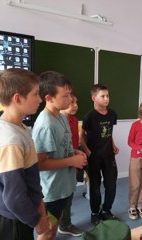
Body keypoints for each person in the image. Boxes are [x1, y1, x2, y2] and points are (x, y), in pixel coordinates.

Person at [0, 68, 50, 240]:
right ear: (17, 98)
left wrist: (39, 203)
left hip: (19, 215)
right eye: (35, 94)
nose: (39, 99)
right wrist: (37, 221)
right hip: (13, 221)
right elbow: (14, 197)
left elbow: (27, 179)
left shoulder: (17, 127)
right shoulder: (10, 141)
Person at [32, 71, 87, 240]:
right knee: (47, 231)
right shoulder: (46, 125)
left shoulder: (62, 116)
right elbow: (39, 164)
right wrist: (72, 160)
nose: (70, 99)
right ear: (49, 98)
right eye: (65, 96)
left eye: (70, 93)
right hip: (52, 192)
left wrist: (74, 153)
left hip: (64, 186)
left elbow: (62, 147)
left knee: (55, 226)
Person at [81, 83, 119, 226]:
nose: (106, 99)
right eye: (102, 96)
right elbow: (81, 136)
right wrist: (87, 150)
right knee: (95, 187)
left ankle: (106, 210)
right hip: (94, 157)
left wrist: (113, 144)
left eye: (107, 95)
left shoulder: (112, 114)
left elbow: (109, 133)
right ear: (94, 98)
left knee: (111, 184)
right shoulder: (89, 116)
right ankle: (95, 213)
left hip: (109, 155)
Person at [58, 92, 83, 237]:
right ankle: (53, 225)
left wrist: (79, 152)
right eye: (71, 102)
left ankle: (65, 223)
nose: (75, 106)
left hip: (72, 163)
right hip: (60, 165)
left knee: (69, 195)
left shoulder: (74, 120)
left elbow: (73, 143)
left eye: (76, 102)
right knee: (56, 199)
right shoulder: (56, 121)